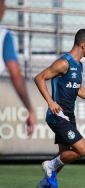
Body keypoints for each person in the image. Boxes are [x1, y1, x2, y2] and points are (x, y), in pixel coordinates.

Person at [34, 29, 85, 188]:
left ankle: (44, 185)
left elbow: (77, 89)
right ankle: (49, 166)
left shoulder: (79, 65)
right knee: (82, 149)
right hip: (58, 115)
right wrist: (50, 102)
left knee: (63, 155)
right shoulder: (64, 63)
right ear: (83, 45)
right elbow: (39, 78)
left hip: (68, 115)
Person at [0, 0, 35, 135]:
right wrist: (30, 109)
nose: (5, 8)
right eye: (3, 3)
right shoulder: (4, 36)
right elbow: (16, 75)